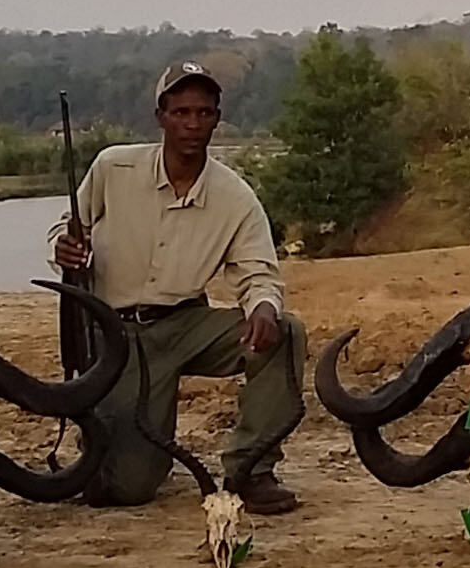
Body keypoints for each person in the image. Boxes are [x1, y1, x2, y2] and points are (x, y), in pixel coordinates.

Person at [49, 62, 304, 514]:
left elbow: (259, 274)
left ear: (217, 119)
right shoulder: (113, 166)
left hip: (186, 323)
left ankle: (252, 470)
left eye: (204, 113)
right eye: (181, 112)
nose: (192, 124)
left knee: (284, 331)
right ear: (160, 116)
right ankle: (127, 453)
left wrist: (263, 307)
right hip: (115, 334)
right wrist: (65, 248)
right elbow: (67, 228)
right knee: (129, 488)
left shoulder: (235, 196)